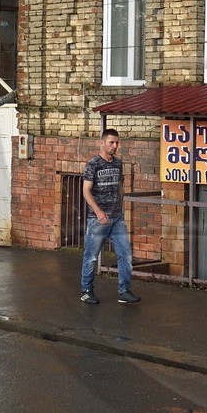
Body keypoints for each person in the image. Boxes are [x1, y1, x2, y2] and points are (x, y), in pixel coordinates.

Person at [80, 128, 139, 305]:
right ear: (102, 143)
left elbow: (120, 187)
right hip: (97, 219)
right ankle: (86, 290)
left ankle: (124, 290)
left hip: (116, 218)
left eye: (117, 142)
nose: (115, 146)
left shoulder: (118, 163)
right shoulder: (93, 164)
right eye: (111, 142)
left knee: (126, 254)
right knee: (91, 256)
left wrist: (120, 209)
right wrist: (98, 212)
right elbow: (86, 191)